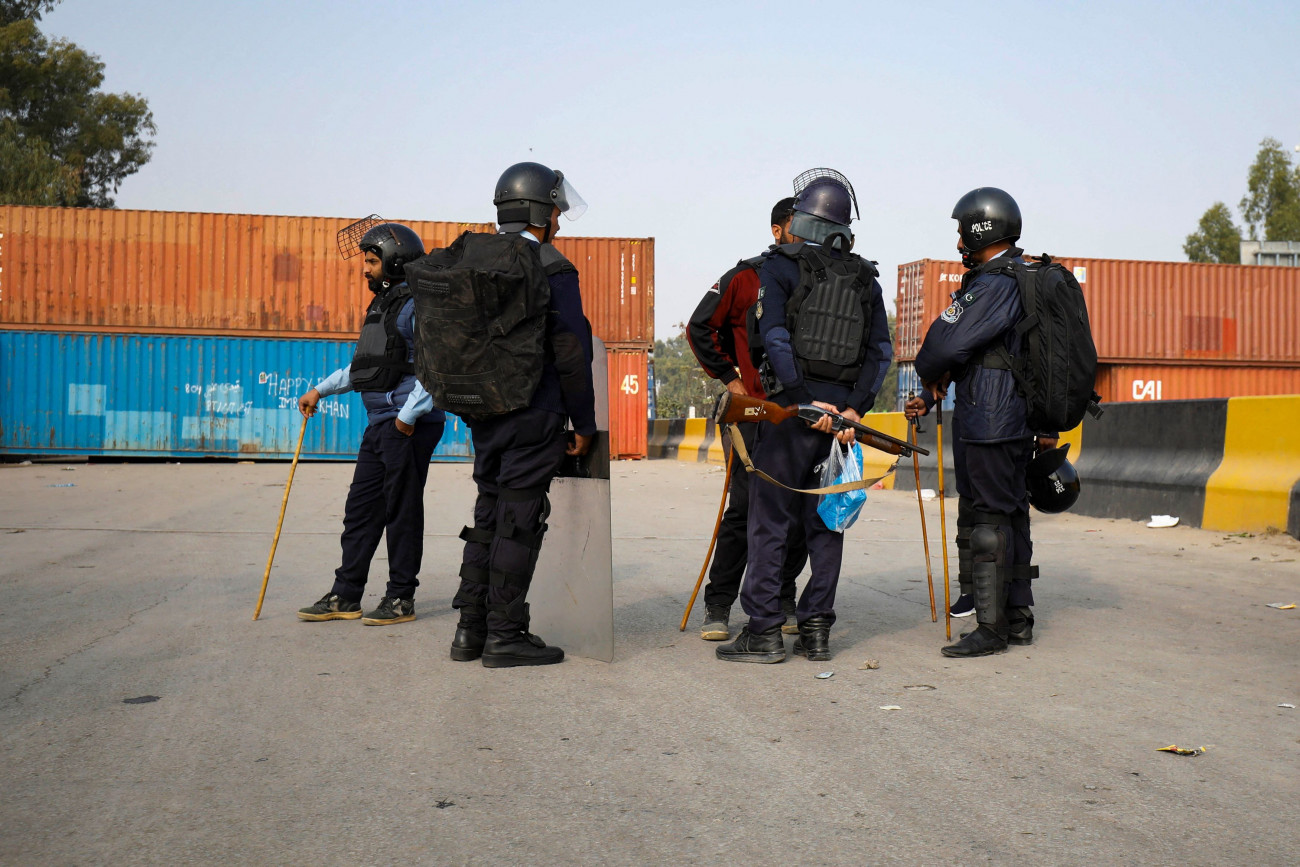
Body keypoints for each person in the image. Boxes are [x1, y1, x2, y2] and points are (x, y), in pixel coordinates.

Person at [717, 169, 892, 664]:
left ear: (804, 218)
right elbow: (881, 351)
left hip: (790, 415)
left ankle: (764, 632)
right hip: (842, 423)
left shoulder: (778, 268)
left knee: (769, 521)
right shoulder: (865, 277)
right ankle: (816, 631)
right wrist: (853, 409)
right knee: (827, 524)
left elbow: (773, 338)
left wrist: (799, 400)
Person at [447, 161, 596, 668]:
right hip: (535, 412)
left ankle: (470, 629)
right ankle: (505, 634)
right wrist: (584, 423)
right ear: (539, 210)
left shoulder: (471, 261)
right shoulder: (550, 266)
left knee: (488, 514)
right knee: (519, 519)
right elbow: (573, 352)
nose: (558, 216)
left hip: (483, 413)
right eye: (554, 206)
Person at [905, 188, 1057, 658]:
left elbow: (943, 346)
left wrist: (929, 373)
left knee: (990, 519)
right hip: (1015, 417)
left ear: (980, 230)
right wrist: (934, 394)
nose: (957, 243)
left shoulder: (994, 284)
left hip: (991, 418)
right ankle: (1017, 617)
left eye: (961, 231)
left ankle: (990, 630)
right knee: (1011, 514)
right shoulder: (1028, 277)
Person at [297, 222, 445, 626]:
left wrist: (406, 418)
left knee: (401, 512)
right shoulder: (382, 306)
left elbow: (438, 365)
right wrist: (320, 391)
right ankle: (346, 596)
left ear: (394, 261)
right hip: (382, 424)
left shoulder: (420, 306)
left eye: (371, 260)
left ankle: (400, 599)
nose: (365, 268)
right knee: (360, 511)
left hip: (407, 425)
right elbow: (365, 367)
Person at [686, 197, 809, 641]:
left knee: (797, 512)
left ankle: (782, 597)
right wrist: (730, 380)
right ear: (777, 230)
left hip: (802, 416)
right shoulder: (746, 276)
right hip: (752, 415)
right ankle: (719, 604)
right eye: (800, 223)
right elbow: (700, 325)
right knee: (744, 510)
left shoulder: (823, 278)